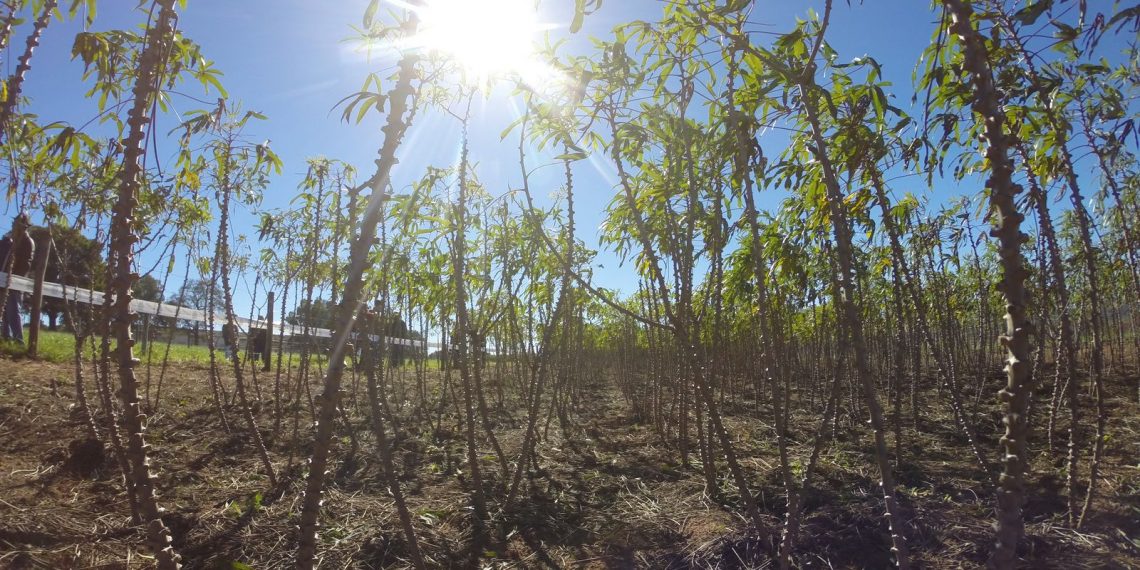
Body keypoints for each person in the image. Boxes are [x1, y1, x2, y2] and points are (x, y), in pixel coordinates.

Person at [1, 213, 35, 344]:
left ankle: (18, 340)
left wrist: (14, 277)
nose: (13, 226)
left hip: (15, 280)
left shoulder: (27, 241)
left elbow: (26, 263)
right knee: (3, 310)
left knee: (13, 309)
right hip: (3, 277)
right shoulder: (9, 240)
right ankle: (6, 337)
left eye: (16, 223)